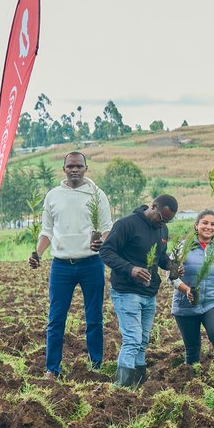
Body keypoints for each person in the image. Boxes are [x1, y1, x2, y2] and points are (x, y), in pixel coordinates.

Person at [29, 152, 112, 379]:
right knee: (56, 318)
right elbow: (47, 230)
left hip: (91, 264)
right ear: (63, 168)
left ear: (86, 168)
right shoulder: (53, 196)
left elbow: (107, 228)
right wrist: (37, 253)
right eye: (70, 166)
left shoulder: (97, 194)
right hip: (61, 266)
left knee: (94, 317)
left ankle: (95, 365)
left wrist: (102, 242)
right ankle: (52, 369)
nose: (75, 170)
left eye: (79, 166)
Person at [100, 195, 177, 388]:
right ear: (153, 206)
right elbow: (106, 252)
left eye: (167, 221)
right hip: (127, 291)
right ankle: (122, 389)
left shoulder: (162, 229)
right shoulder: (127, 224)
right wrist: (131, 269)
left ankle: (138, 386)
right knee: (132, 339)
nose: (163, 223)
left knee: (143, 340)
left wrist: (171, 265)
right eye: (161, 218)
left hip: (149, 293)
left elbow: (160, 257)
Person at [170, 210, 214, 366]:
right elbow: (171, 276)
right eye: (205, 223)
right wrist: (186, 289)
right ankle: (191, 379)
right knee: (192, 347)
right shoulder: (182, 247)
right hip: (185, 304)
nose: (209, 227)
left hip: (211, 301)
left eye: (213, 224)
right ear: (196, 225)